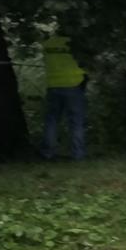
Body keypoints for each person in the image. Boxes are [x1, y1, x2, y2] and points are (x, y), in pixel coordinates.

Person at [41, 32, 89, 161]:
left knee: (52, 121)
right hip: (74, 84)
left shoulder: (48, 43)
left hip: (53, 85)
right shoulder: (76, 43)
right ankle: (77, 154)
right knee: (75, 122)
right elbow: (85, 63)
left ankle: (48, 153)